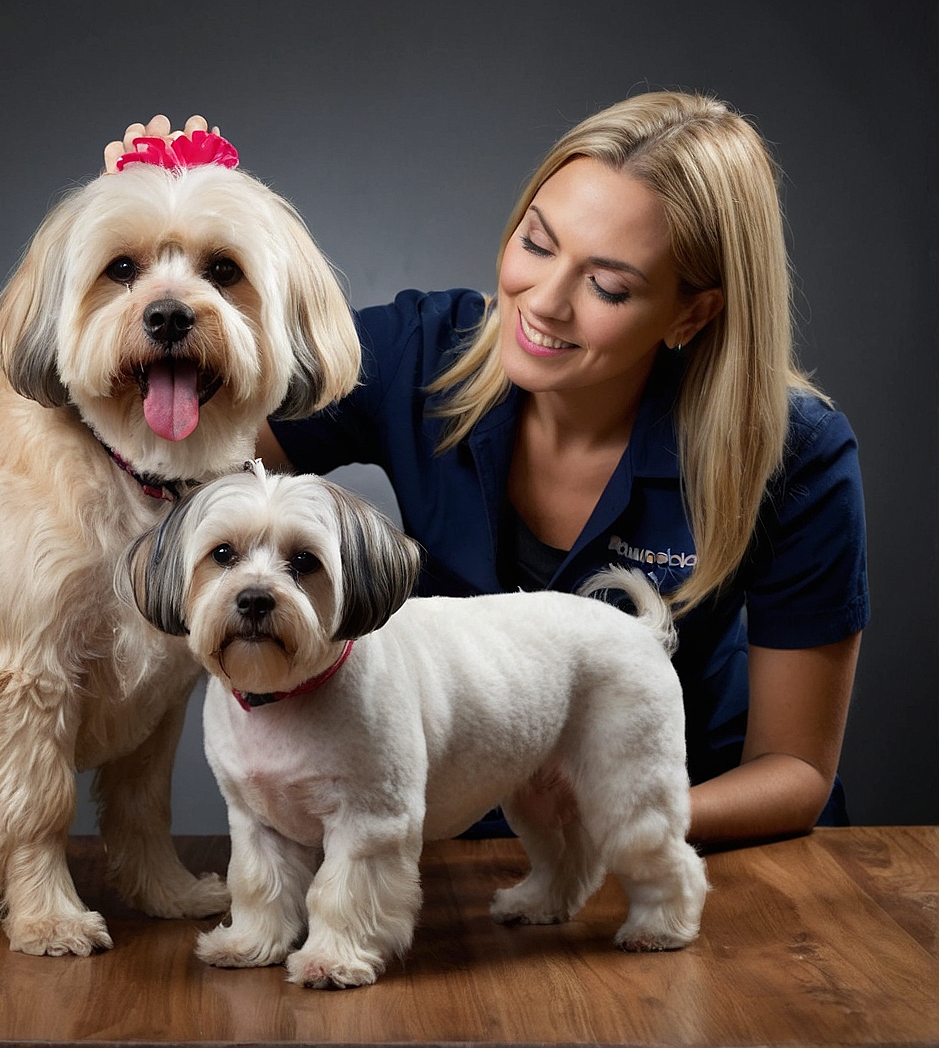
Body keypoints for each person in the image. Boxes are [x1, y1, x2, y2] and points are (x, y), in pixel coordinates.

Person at [105, 94, 867, 846]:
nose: (543, 302)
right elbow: (186, 476)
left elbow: (795, 767)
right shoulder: (412, 353)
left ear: (691, 314)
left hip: (691, 849)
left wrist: (626, 817)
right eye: (537, 243)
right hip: (443, 850)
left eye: (607, 286)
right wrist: (144, 245)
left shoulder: (797, 453)